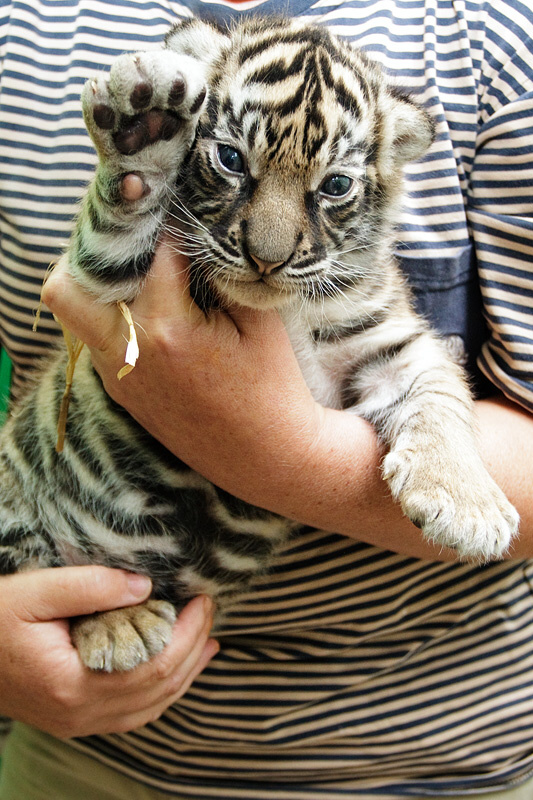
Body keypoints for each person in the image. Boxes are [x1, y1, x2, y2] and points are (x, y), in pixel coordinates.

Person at [1, 0, 533, 797]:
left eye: (337, 189)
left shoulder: (492, 38)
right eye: (227, 164)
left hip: (444, 762)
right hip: (81, 760)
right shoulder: (20, 32)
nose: (272, 244)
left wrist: (279, 449)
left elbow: (410, 368)